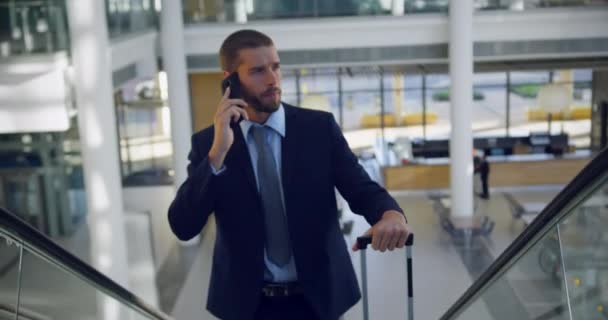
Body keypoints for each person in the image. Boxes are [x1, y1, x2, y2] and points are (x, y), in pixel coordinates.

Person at [167, 29, 411, 320]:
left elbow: (360, 187)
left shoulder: (318, 128)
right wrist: (217, 154)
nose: (272, 79)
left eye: (276, 66)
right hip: (247, 306)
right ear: (229, 80)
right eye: (258, 71)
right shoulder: (210, 144)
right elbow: (183, 226)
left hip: (318, 301)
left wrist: (391, 215)